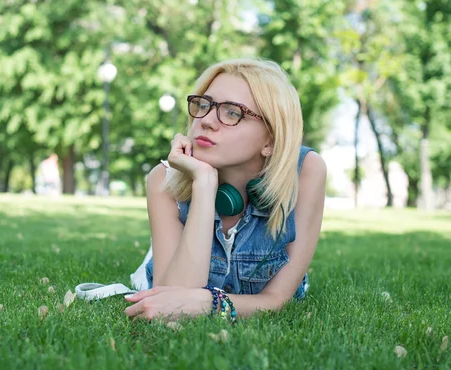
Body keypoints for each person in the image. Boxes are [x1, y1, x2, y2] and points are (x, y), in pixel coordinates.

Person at [124, 58, 326, 321]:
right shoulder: (164, 179)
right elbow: (170, 302)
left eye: (233, 112)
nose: (206, 120)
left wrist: (210, 302)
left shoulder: (307, 171)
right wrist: (205, 183)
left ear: (271, 141)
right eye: (204, 105)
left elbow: (276, 300)